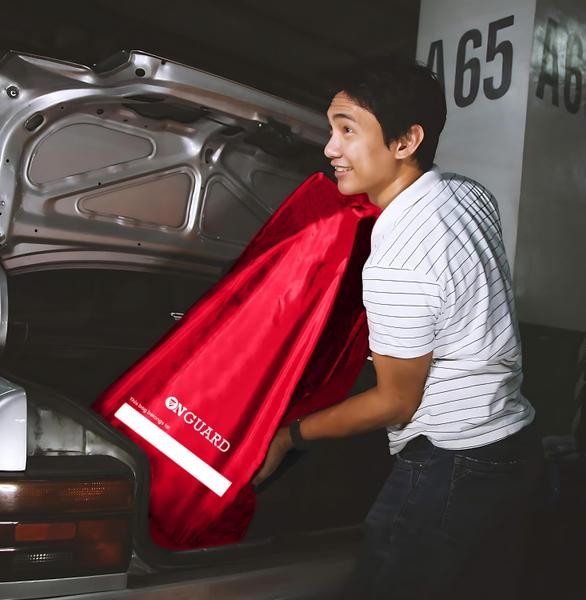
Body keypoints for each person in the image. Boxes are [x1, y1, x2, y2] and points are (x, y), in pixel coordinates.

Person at [252, 55, 546, 600]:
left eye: (347, 130)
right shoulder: (465, 193)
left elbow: (395, 404)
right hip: (513, 442)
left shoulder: (398, 258)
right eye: (330, 128)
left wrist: (288, 435)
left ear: (406, 140)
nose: (329, 148)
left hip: (454, 462)